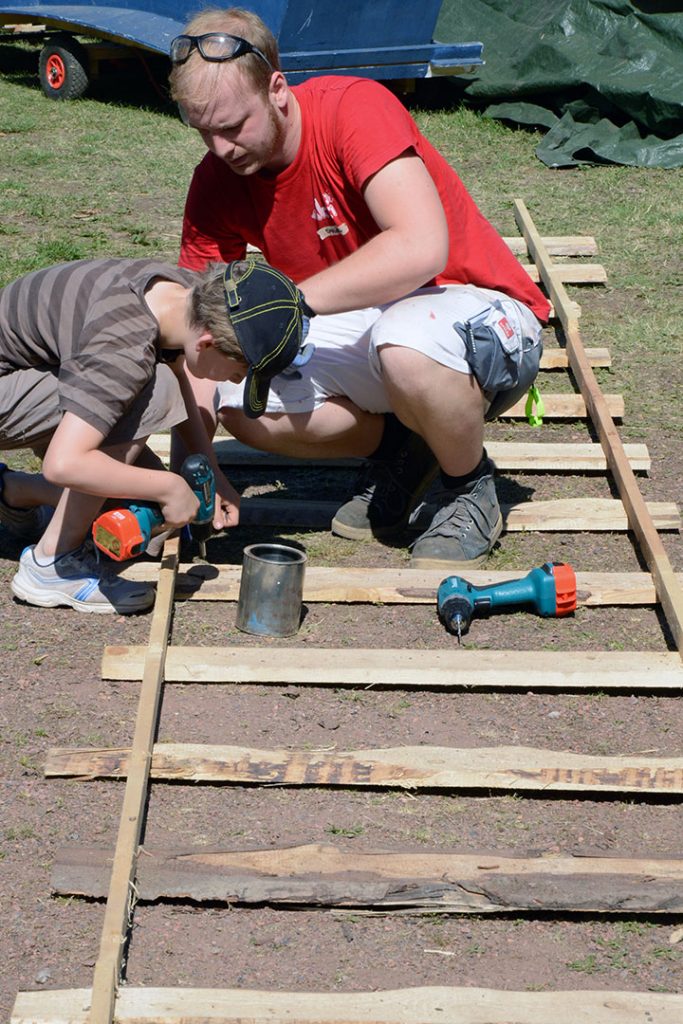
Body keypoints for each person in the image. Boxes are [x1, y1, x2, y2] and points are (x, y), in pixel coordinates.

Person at [169, 7, 552, 569]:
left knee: (404, 342)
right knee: (235, 398)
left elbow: (422, 248)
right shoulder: (218, 180)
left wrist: (292, 303)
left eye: (232, 126)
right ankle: (406, 451)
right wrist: (195, 468)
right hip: (379, 335)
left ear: (277, 87)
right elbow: (196, 338)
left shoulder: (353, 108)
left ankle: (469, 486)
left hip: (484, 322)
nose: (220, 147)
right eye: (204, 130)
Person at [0, 255, 311, 612]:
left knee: (133, 502)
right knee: (152, 388)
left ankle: (15, 492)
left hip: (25, 370)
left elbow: (179, 376)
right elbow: (64, 464)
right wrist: (170, 487)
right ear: (207, 343)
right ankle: (53, 564)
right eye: (242, 370)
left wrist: (213, 472)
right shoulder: (123, 346)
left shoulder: (181, 296)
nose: (239, 381)